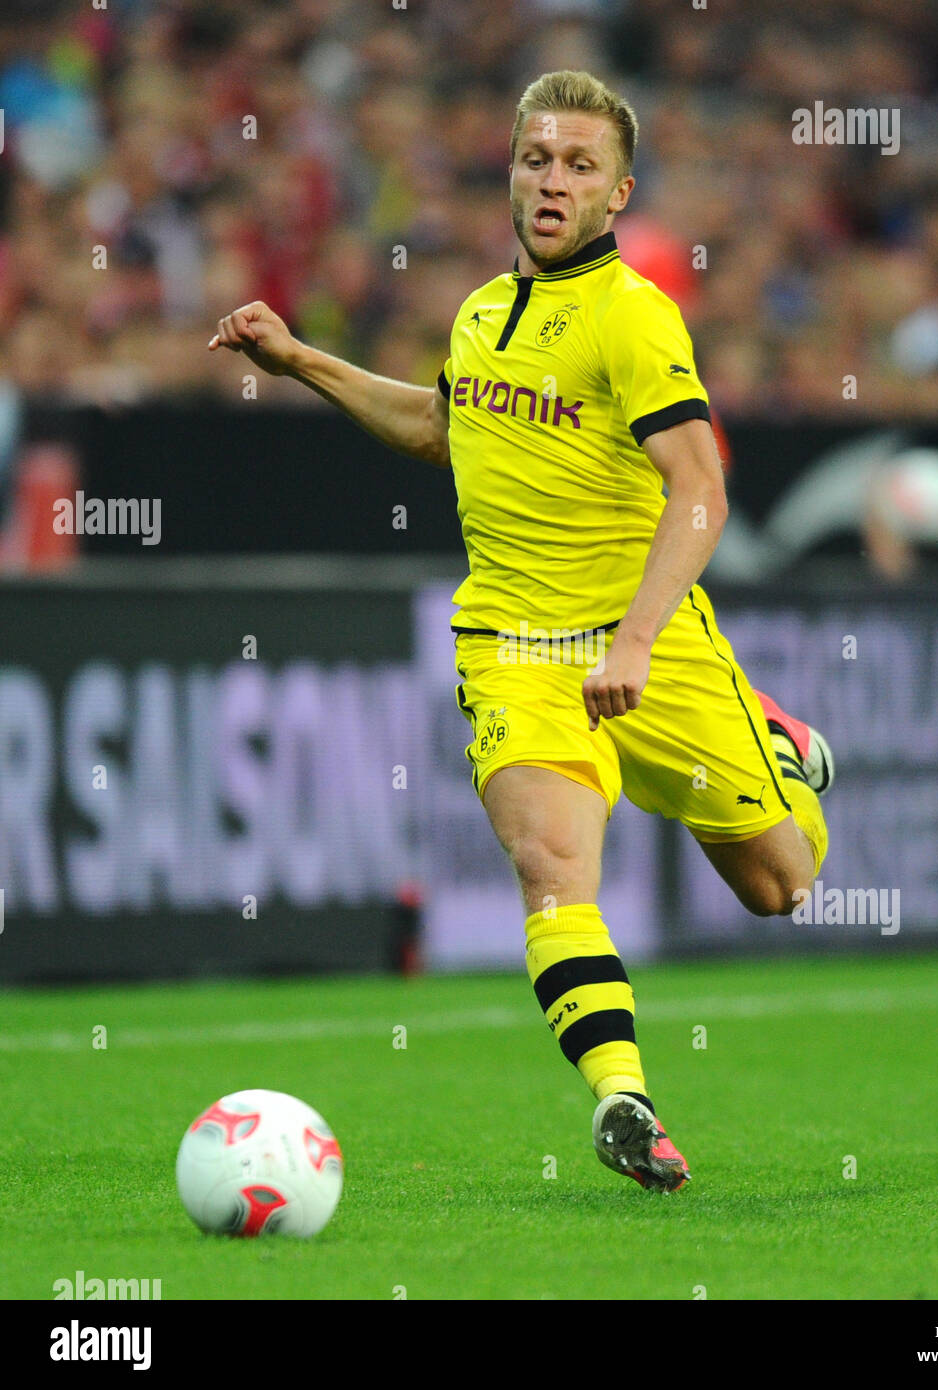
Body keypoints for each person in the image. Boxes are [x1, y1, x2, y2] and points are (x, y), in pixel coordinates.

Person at [209, 70, 834, 1193]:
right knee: (551, 865)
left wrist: (638, 640)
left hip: (648, 641)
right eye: (537, 158)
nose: (553, 180)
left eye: (579, 166)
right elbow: (441, 427)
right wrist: (301, 360)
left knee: (780, 883)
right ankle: (625, 1098)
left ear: (617, 194)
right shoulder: (481, 312)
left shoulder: (633, 317)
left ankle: (778, 742)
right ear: (512, 172)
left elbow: (699, 485)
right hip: (514, 646)